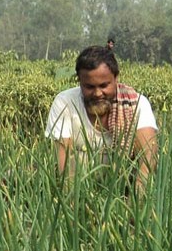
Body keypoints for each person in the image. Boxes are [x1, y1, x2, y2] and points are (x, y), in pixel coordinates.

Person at [45, 46, 158, 191]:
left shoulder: (137, 104)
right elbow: (65, 167)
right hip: (78, 189)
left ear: (116, 78)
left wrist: (132, 207)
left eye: (104, 85)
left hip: (123, 189)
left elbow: (147, 162)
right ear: (79, 81)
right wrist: (76, 207)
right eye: (89, 87)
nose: (98, 93)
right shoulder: (65, 103)